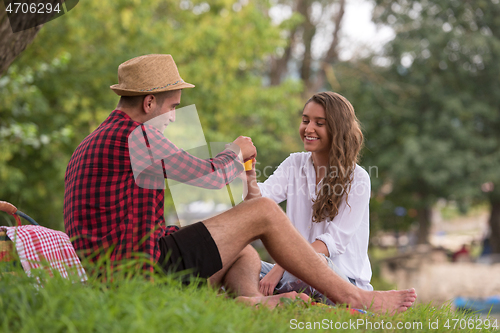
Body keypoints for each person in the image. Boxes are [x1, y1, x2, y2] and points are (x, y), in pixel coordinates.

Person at [64, 54, 416, 313]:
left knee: (243, 248)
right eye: (173, 107)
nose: (173, 118)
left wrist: (247, 178)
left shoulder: (98, 139)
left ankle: (254, 303)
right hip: (141, 270)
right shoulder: (137, 137)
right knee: (261, 212)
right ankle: (353, 297)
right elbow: (212, 176)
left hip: (122, 267)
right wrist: (237, 150)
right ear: (150, 102)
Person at [243, 92, 373, 300]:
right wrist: (247, 169)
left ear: (337, 129)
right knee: (240, 261)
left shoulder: (358, 178)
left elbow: (332, 244)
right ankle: (281, 298)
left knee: (317, 264)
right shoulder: (294, 164)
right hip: (293, 273)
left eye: (319, 123)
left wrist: (281, 267)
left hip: (341, 280)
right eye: (305, 121)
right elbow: (259, 202)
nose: (308, 128)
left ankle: (275, 295)